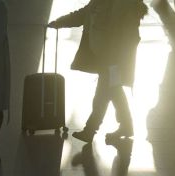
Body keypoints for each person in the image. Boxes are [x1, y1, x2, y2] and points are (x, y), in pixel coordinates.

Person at [49, 0, 149, 143]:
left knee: (102, 94)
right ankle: (126, 126)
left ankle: (90, 130)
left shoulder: (123, 4)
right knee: (114, 90)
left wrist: (116, 59)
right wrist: (59, 22)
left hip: (113, 60)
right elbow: (83, 14)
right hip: (105, 58)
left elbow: (128, 35)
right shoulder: (100, 2)